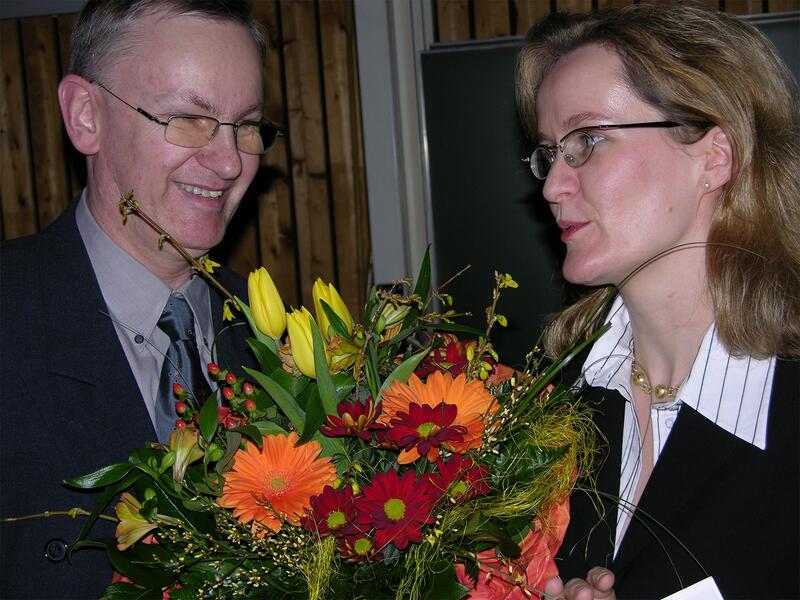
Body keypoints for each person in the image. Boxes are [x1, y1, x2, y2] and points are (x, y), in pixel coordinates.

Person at [515, 5, 799, 599]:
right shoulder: (545, 407)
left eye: (588, 140)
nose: (552, 186)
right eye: (549, 152)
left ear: (714, 156)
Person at [0, 1, 281, 597]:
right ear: (86, 116)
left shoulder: (273, 337)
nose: (230, 162)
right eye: (188, 119)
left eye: (247, 125)